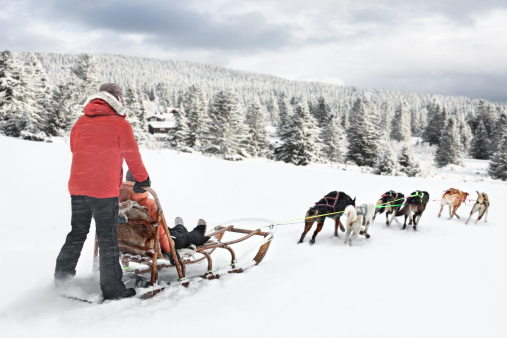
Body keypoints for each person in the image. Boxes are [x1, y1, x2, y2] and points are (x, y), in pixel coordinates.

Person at [55, 83, 151, 300]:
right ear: (116, 99)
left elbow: (74, 148)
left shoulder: (80, 122)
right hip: (104, 191)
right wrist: (142, 179)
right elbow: (132, 155)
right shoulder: (120, 124)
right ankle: (112, 289)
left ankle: (62, 280)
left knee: (77, 233)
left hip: (78, 188)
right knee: (107, 237)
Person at [120, 171, 210, 264]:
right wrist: (171, 252)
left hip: (131, 244)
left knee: (170, 231)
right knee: (185, 238)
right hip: (152, 245)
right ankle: (199, 231)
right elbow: (161, 233)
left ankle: (180, 227)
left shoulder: (118, 203)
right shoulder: (149, 204)